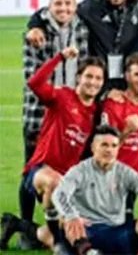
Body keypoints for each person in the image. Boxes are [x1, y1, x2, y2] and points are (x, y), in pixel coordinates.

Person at [3, 48, 105, 251]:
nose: (93, 82)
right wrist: (60, 57)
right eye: (89, 76)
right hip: (40, 172)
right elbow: (34, 83)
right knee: (55, 183)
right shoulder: (62, 97)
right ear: (78, 77)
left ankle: (17, 225)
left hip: (67, 181)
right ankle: (59, 244)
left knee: (69, 237)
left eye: (98, 78)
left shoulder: (96, 112)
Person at [18, 0, 89, 248]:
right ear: (49, 6)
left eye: (68, 4)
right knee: (30, 172)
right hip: (40, 114)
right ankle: (26, 228)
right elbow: (32, 78)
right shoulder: (36, 32)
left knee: (68, 173)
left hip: (72, 116)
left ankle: (63, 226)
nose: (63, 9)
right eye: (58, 4)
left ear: (75, 6)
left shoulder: (82, 28)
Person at [51, 125, 138, 255]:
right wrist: (71, 215)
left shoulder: (124, 172)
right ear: (93, 147)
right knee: (67, 220)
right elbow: (59, 193)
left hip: (118, 232)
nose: (109, 150)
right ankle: (88, 251)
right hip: (88, 232)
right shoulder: (79, 171)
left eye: (114, 146)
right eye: (104, 145)